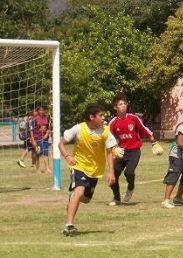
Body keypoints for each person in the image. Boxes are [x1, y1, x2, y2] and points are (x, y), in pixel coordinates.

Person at [58, 103, 117, 236]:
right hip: (79, 166)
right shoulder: (78, 128)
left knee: (85, 199)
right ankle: (69, 225)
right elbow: (61, 142)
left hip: (95, 171)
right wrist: (67, 156)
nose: (103, 118)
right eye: (101, 115)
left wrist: (111, 172)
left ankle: (72, 197)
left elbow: (109, 152)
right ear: (91, 117)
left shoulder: (106, 131)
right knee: (79, 192)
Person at [107, 94, 155, 206]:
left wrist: (153, 141)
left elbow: (144, 129)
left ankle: (131, 187)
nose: (123, 106)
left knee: (129, 172)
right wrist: (114, 148)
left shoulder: (133, 118)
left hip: (134, 151)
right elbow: (108, 137)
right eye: (120, 104)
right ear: (115, 107)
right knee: (113, 175)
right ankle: (116, 198)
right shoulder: (113, 122)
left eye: (124, 104)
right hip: (121, 151)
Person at [31, 105, 52, 174]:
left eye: (43, 110)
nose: (41, 111)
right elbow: (31, 131)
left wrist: (47, 134)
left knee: (46, 154)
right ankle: (37, 170)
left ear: (44, 111)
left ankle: (47, 169)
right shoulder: (35, 119)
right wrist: (33, 140)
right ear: (38, 111)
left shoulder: (47, 118)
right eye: (40, 110)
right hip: (37, 140)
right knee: (38, 154)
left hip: (45, 140)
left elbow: (49, 128)